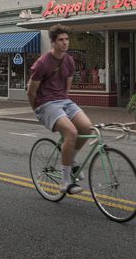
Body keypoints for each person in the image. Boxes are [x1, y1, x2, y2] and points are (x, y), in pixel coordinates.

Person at [27, 24, 94, 194]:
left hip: (63, 100)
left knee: (87, 128)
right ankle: (65, 182)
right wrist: (38, 110)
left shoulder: (69, 60)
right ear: (53, 42)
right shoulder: (42, 63)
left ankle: (71, 160)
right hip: (46, 103)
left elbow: (67, 87)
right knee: (71, 132)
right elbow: (31, 90)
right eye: (61, 40)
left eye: (67, 39)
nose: (65, 43)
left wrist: (65, 105)